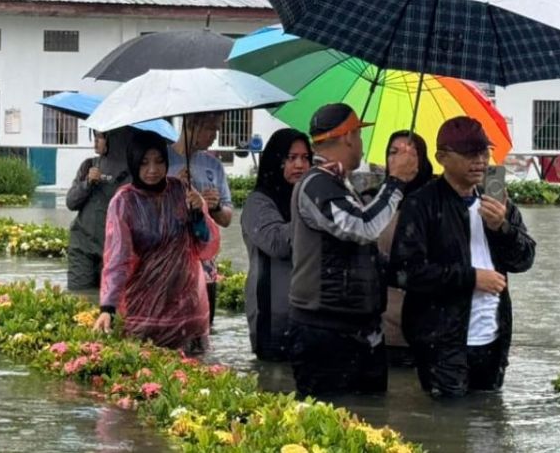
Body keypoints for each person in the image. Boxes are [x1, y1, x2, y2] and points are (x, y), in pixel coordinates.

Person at [390, 117, 536, 398]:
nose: (480, 161)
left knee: (489, 424)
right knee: (449, 427)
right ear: (442, 157)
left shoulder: (497, 202)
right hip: (440, 341)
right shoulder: (421, 204)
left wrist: (502, 228)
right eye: (470, 154)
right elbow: (404, 272)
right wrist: (471, 278)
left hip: (493, 337)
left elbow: (525, 259)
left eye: (484, 152)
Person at [288, 103, 419, 396]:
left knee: (369, 424)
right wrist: (396, 182)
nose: (362, 144)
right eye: (359, 135)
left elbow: (360, 252)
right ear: (348, 137)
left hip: (360, 329)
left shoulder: (339, 183)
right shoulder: (315, 184)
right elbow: (362, 227)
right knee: (330, 431)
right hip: (325, 332)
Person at [94, 129, 220, 354]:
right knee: (146, 379)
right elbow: (117, 258)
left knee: (194, 380)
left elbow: (205, 246)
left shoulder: (182, 191)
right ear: (134, 163)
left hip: (187, 311)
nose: (152, 170)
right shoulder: (124, 202)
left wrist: (198, 214)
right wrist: (108, 307)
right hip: (145, 313)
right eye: (144, 163)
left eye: (159, 161)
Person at [240, 128, 313, 361]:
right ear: (276, 161)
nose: (300, 165)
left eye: (305, 158)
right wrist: (311, 211)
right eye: (291, 158)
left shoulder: (310, 199)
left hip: (309, 315)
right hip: (271, 316)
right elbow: (278, 243)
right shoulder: (258, 202)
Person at [167, 112, 233, 328]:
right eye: (211, 128)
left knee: (205, 330)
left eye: (217, 128)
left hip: (205, 266)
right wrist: (172, 189)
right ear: (191, 124)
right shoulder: (160, 161)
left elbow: (227, 218)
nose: (215, 135)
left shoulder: (214, 166)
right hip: (170, 264)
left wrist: (213, 207)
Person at [376, 130, 436, 368]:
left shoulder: (437, 202)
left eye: (411, 152)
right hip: (383, 326)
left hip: (428, 327)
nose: (401, 158)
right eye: (394, 152)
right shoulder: (374, 203)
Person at [65, 129, 130, 291]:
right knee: (79, 297)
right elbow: (71, 202)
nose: (96, 141)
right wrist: (87, 183)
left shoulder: (132, 172)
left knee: (110, 301)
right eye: (95, 136)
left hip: (113, 250)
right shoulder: (89, 165)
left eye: (101, 137)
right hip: (82, 246)